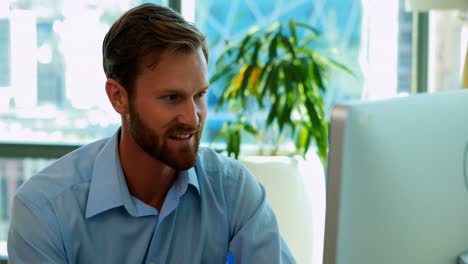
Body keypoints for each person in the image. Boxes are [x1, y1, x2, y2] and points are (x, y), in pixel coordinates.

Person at [7, 3, 295, 263]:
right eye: (172, 98)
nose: (192, 117)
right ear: (118, 97)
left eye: (200, 95)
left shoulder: (233, 191)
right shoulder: (45, 210)